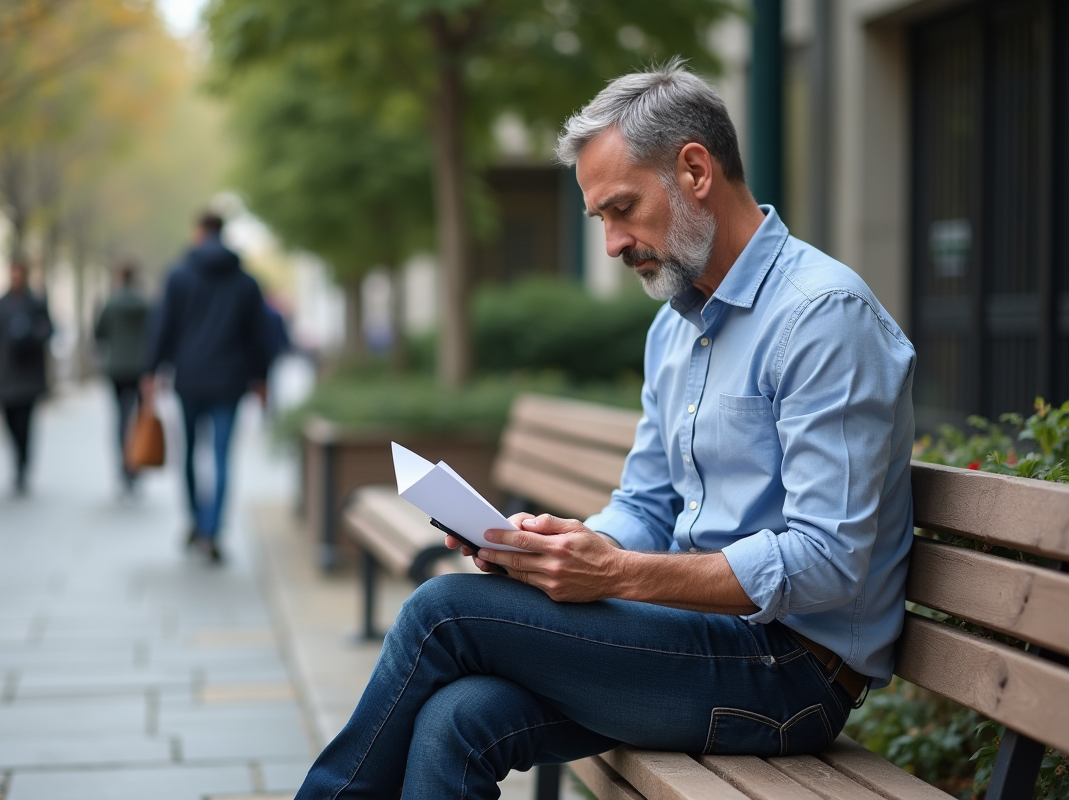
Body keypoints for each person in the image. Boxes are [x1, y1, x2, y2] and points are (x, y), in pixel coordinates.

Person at [293, 61, 917, 799]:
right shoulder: (675, 330)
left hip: (791, 674)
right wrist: (557, 545)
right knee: (456, 719)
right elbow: (646, 505)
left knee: (441, 611)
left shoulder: (823, 318)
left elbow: (828, 561)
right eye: (601, 220)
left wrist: (617, 574)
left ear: (694, 170)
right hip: (688, 636)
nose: (614, 243)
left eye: (622, 209)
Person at [143, 211, 271, 564]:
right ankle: (212, 531)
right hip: (230, 381)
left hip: (190, 378)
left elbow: (163, 325)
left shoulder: (179, 275)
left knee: (187, 455)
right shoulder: (246, 282)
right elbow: (259, 336)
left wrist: (151, 370)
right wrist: (261, 378)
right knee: (221, 457)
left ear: (199, 233)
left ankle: (196, 522)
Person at [0, 260, 53, 495]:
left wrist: (32, 335)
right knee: (9, 422)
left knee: (26, 424)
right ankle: (17, 457)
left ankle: (23, 465)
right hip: (5, 375)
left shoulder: (36, 304)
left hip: (29, 375)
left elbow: (48, 332)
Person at [94, 259, 151, 492]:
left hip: (117, 368)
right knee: (139, 418)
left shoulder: (111, 304)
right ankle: (136, 462)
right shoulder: (146, 304)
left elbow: (99, 334)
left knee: (121, 417)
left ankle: (124, 465)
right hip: (141, 367)